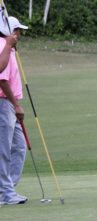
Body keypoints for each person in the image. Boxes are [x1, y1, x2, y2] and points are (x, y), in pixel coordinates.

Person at [0, 16, 29, 205]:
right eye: (17, 30)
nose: (19, 34)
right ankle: (6, 193)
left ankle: (7, 189)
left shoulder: (9, 48)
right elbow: (2, 79)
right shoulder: (3, 46)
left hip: (10, 104)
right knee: (3, 149)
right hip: (4, 103)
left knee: (19, 147)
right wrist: (16, 105)